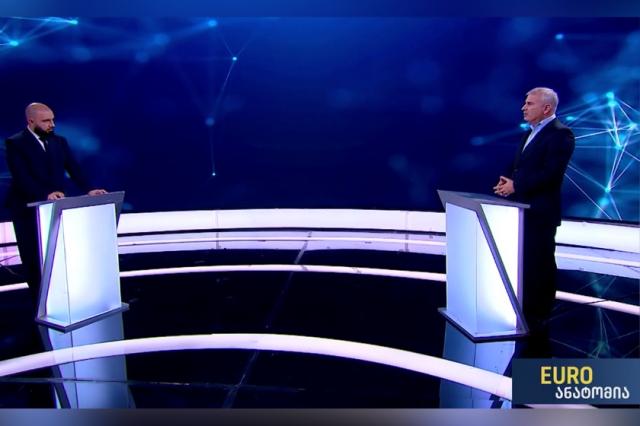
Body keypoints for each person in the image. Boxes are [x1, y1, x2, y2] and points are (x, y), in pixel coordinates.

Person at [4, 102, 107, 312]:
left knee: (57, 254)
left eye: (52, 120)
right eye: (46, 121)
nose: (52, 124)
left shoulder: (59, 141)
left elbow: (74, 168)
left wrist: (89, 189)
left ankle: (62, 298)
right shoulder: (15, 143)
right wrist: (44, 194)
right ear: (31, 121)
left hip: (55, 207)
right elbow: (21, 176)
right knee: (34, 258)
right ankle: (40, 304)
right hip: (27, 209)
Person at [493, 87, 575, 332]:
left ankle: (539, 315)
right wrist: (507, 181)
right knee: (525, 262)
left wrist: (516, 185)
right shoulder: (530, 132)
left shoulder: (561, 134)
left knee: (540, 263)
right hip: (521, 210)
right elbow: (520, 166)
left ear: (546, 108)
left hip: (540, 213)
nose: (523, 107)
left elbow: (551, 174)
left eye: (529, 103)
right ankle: (523, 308)